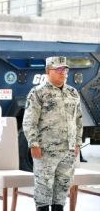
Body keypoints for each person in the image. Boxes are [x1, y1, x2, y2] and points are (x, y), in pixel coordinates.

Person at [23, 56, 82, 211]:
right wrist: (33, 144)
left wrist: (77, 143)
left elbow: (79, 120)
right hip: (45, 151)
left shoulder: (73, 93)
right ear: (48, 71)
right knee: (44, 189)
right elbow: (29, 121)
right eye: (60, 69)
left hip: (68, 151)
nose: (64, 73)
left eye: (66, 69)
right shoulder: (38, 93)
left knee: (62, 191)